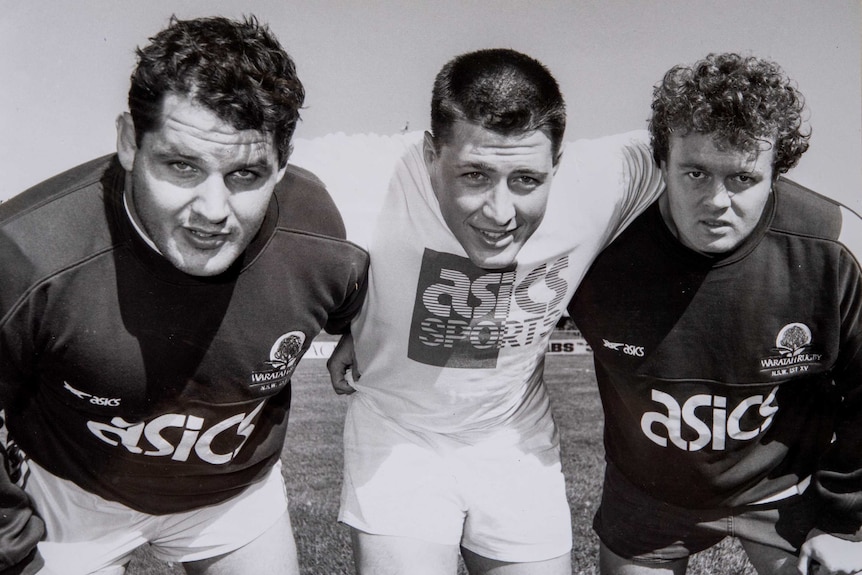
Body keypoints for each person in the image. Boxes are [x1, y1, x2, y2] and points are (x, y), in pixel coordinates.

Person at [0, 15, 367, 575]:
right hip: (70, 492)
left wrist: (356, 336)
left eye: (246, 174)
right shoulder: (29, 255)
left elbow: (355, 304)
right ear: (128, 141)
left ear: (283, 165)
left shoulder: (318, 239)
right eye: (180, 165)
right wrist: (12, 546)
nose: (213, 211)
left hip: (232, 498)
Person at [316, 48, 664, 574]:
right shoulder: (363, 175)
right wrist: (349, 312)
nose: (500, 213)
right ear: (431, 153)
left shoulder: (606, 178)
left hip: (514, 436)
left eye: (526, 180)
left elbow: (714, 158)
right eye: (475, 175)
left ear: (558, 164)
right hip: (398, 432)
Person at [568, 53, 862, 575]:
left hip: (785, 490)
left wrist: (844, 520)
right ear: (661, 162)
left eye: (743, 177)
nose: (717, 201)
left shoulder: (831, 247)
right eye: (696, 172)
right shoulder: (598, 247)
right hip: (647, 496)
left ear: (777, 174)